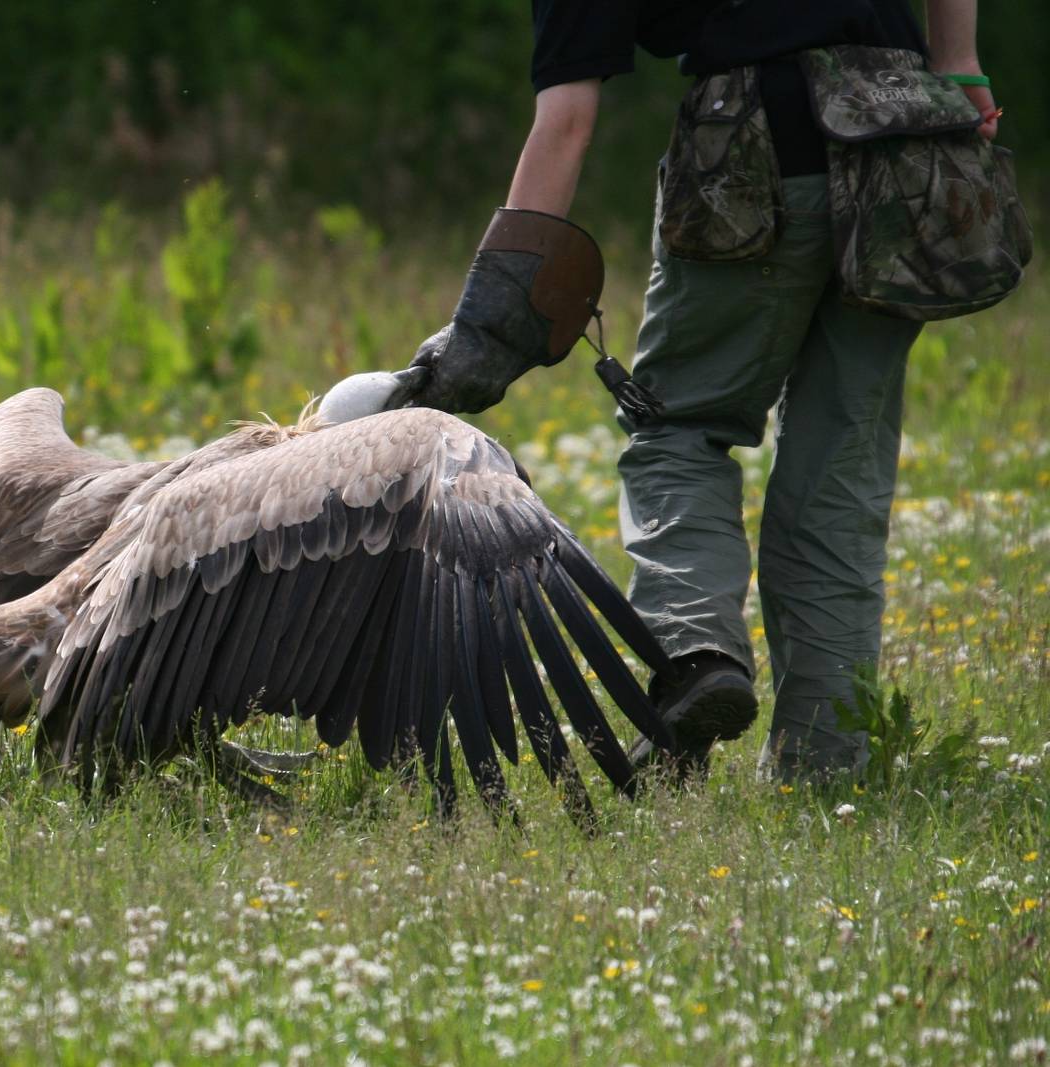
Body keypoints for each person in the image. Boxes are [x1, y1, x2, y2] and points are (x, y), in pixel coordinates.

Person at [409, 1, 1003, 780]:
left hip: (752, 150)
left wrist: (490, 316)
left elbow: (568, 121)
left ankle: (697, 656)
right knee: (842, 469)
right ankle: (827, 763)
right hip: (909, 147)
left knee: (679, 430)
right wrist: (958, 63)